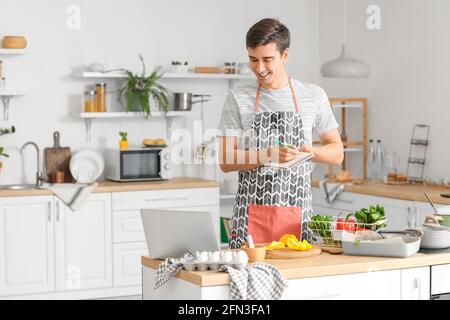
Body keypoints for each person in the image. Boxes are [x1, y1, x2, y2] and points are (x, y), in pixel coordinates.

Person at [217, 18, 344, 249]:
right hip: (250, 219)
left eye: (267, 59)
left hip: (297, 217)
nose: (260, 68)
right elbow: (226, 160)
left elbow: (337, 153)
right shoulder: (239, 96)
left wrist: (310, 151)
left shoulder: (313, 95)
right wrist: (267, 155)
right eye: (253, 59)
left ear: (285, 56)